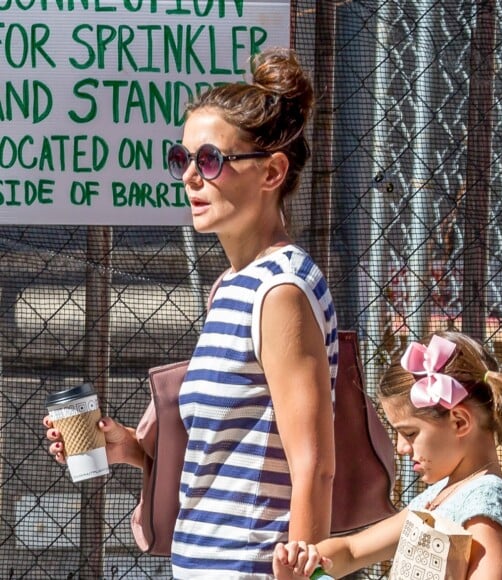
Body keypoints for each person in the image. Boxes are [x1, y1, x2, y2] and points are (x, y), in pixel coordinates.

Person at [44, 47, 339, 579]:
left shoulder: (281, 290)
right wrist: (130, 449)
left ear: (271, 171)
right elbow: (229, 456)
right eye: (183, 160)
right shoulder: (232, 285)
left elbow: (313, 466)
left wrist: (305, 574)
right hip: (200, 564)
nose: (190, 178)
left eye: (210, 161)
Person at [273, 331, 502, 580]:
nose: (401, 448)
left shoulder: (483, 501)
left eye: (410, 434)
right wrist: (310, 558)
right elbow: (353, 550)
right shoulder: (441, 494)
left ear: (459, 422)